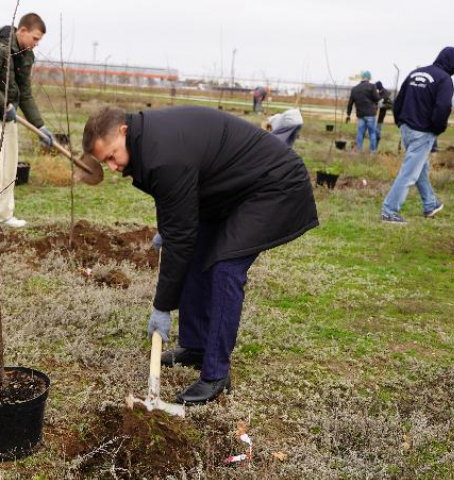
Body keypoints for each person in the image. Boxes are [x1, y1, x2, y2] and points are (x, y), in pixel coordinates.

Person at [82, 106, 318, 405]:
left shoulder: (161, 151)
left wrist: (162, 307)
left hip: (273, 185)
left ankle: (216, 374)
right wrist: (169, 226)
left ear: (123, 131)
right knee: (195, 255)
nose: (113, 167)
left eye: (112, 156)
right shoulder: (146, 141)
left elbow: (180, 234)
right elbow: (174, 194)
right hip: (230, 188)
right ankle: (195, 347)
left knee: (225, 267)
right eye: (105, 161)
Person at [0, 13, 53, 238]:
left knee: (9, 165)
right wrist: (4, 105)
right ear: (22, 31)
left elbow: (25, 92)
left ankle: (5, 214)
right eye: (35, 38)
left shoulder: (26, 55)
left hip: (7, 114)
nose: (36, 44)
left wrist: (39, 125)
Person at [381, 47, 454, 224]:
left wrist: (400, 122)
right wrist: (437, 129)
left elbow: (399, 100)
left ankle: (430, 204)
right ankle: (389, 211)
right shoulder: (444, 79)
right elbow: (443, 107)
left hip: (406, 128)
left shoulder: (415, 73)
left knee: (420, 168)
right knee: (409, 172)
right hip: (423, 132)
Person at [345, 71, 381, 153]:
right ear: (369, 78)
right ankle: (372, 152)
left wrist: (348, 114)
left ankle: (358, 151)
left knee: (360, 133)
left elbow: (350, 103)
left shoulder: (355, 89)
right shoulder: (372, 86)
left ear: (362, 78)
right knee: (372, 133)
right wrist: (379, 95)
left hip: (360, 115)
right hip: (371, 114)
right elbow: (377, 98)